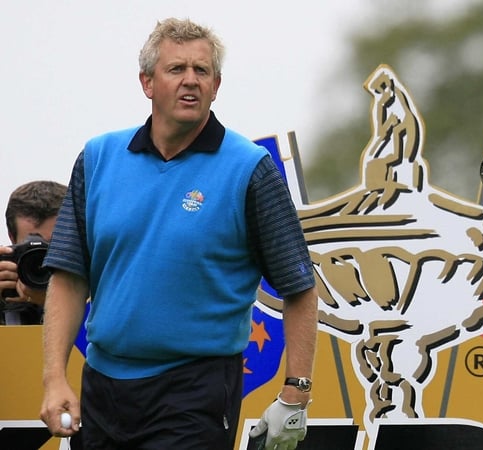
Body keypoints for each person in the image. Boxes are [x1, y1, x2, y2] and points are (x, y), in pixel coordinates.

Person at [38, 18, 319, 450]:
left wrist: (296, 392)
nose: (191, 80)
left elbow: (299, 287)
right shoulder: (98, 157)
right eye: (176, 69)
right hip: (103, 388)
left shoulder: (249, 168)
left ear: (216, 85)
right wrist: (54, 377)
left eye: (201, 70)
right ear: (147, 82)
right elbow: (69, 277)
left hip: (196, 390)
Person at [1, 180, 67, 325]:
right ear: (12, 239)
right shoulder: (6, 284)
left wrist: (61, 302)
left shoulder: (99, 286)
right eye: (31, 246)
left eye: (53, 244)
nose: (43, 260)